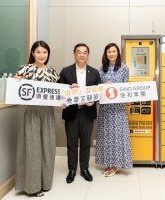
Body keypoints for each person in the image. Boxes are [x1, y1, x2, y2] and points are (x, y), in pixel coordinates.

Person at [14, 41, 59, 197]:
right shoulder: (25, 69)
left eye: (45, 52)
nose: (42, 55)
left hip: (47, 112)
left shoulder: (53, 72)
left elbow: (59, 92)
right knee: (32, 148)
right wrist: (17, 80)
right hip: (31, 112)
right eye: (38, 52)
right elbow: (16, 89)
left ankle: (46, 183)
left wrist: (70, 90)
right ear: (33, 53)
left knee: (47, 146)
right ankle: (33, 187)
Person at [58, 43, 101, 183]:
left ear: (88, 55)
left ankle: (84, 169)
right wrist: (70, 91)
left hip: (88, 113)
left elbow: (98, 93)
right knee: (71, 143)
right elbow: (59, 92)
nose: (82, 55)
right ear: (74, 54)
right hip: (72, 112)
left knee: (86, 143)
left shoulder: (95, 72)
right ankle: (71, 170)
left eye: (85, 52)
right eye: (79, 52)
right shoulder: (65, 71)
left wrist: (93, 101)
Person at [95, 43, 133, 177]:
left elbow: (126, 86)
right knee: (106, 136)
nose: (111, 54)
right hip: (105, 108)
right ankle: (109, 163)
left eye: (113, 51)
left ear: (118, 53)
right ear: (105, 54)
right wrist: (104, 85)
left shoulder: (123, 68)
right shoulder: (100, 69)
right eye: (109, 52)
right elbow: (98, 88)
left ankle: (116, 165)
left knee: (118, 136)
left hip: (118, 107)